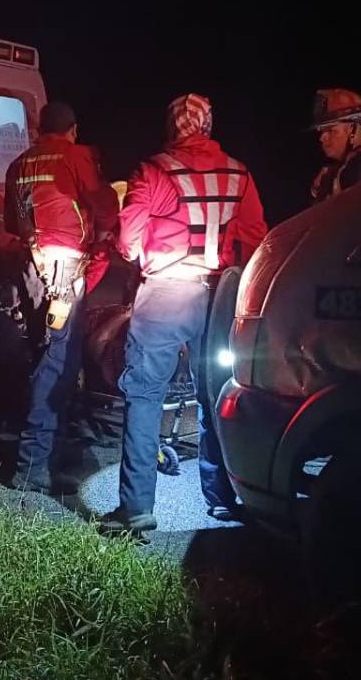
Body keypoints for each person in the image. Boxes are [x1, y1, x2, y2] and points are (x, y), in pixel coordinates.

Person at [100, 93, 267, 538]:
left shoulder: (153, 169)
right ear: (208, 125)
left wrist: (135, 251)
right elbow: (255, 239)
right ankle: (221, 498)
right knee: (214, 395)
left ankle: (136, 509)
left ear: (172, 127)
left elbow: (128, 238)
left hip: (166, 293)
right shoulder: (239, 172)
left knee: (145, 394)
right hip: (218, 296)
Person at [3, 101, 119, 494]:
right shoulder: (75, 156)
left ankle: (45, 461)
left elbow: (13, 219)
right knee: (57, 366)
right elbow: (103, 204)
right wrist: (104, 235)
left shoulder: (20, 164)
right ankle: (32, 468)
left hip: (32, 268)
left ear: (38, 128)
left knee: (42, 358)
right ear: (73, 129)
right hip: (64, 273)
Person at [308, 88, 361, 203]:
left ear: (351, 129)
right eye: (322, 131)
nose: (322, 138)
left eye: (330, 130)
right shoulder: (335, 173)